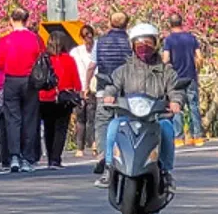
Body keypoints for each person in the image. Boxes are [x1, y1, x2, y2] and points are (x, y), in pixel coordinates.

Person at [99, 23, 184, 192]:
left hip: (156, 118)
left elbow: (176, 90)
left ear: (156, 44)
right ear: (132, 46)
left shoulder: (167, 71)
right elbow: (112, 86)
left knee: (167, 129)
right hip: (128, 117)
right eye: (139, 44)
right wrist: (109, 95)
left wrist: (176, 102)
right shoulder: (123, 70)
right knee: (114, 126)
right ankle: (109, 167)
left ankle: (166, 172)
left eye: (148, 44)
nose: (144, 48)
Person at [0, 7, 44, 173]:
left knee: (13, 119)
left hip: (11, 80)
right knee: (30, 119)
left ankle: (14, 156)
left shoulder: (5, 40)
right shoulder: (36, 39)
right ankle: (28, 158)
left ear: (11, 20)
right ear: (27, 20)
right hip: (30, 81)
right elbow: (42, 58)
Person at [87, 12, 132, 178]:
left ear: (110, 23)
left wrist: (87, 83)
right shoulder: (130, 43)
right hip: (126, 89)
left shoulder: (100, 42)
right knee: (125, 121)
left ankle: (102, 155)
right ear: (127, 24)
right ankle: (122, 154)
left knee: (103, 122)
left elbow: (92, 65)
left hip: (104, 87)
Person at [38, 31, 81, 168]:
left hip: (44, 97)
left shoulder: (44, 59)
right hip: (64, 97)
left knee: (49, 128)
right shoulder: (68, 59)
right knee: (60, 129)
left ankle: (51, 157)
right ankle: (56, 159)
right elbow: (76, 81)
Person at [162, 13, 204, 147]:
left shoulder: (168, 40)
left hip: (176, 78)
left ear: (170, 24)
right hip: (190, 76)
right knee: (193, 106)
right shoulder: (191, 38)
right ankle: (197, 137)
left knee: (176, 106)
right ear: (182, 23)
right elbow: (199, 56)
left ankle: (179, 138)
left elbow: (166, 59)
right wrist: (197, 68)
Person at [70, 25, 97, 157]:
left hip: (92, 87)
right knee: (84, 118)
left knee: (89, 118)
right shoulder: (76, 52)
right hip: (81, 87)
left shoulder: (95, 49)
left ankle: (90, 145)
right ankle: (84, 146)